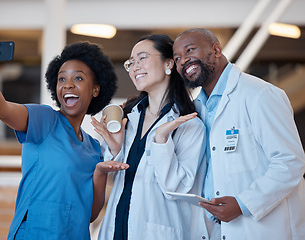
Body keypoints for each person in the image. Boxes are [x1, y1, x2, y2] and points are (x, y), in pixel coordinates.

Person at [0, 38, 129, 240]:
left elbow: (90, 214)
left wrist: (100, 172)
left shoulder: (93, 147)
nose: (68, 85)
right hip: (35, 233)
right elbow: (1, 109)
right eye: (61, 79)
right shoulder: (44, 119)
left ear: (95, 89)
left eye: (78, 78)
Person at [173, 28, 305, 239]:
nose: (183, 61)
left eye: (190, 50)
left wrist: (243, 204)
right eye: (177, 58)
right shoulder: (197, 109)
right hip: (217, 229)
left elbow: (290, 162)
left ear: (216, 49)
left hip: (264, 228)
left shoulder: (260, 95)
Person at [91, 34, 206, 240]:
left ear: (169, 63)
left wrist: (161, 140)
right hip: (117, 230)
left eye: (142, 58)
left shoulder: (189, 125)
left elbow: (176, 188)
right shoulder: (128, 118)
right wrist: (115, 150)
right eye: (131, 62)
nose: (135, 67)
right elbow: (111, 180)